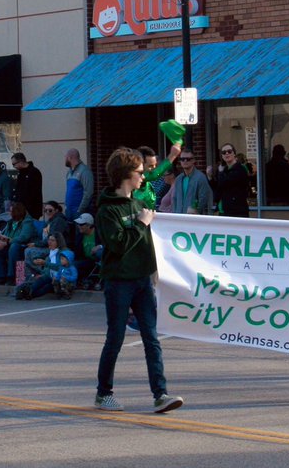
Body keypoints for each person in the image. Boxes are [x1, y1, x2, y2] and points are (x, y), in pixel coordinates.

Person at [94, 146, 183, 414]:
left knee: (151, 338)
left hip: (143, 280)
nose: (143, 177)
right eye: (139, 172)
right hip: (119, 281)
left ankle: (160, 394)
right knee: (116, 337)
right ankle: (103, 393)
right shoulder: (107, 211)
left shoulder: (140, 204)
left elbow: (152, 241)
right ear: (125, 174)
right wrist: (141, 224)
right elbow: (119, 244)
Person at [23, 200, 72, 277]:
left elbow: (52, 239)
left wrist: (36, 244)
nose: (48, 212)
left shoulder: (58, 221)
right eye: (45, 210)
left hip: (57, 248)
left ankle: (40, 274)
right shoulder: (51, 221)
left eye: (50, 210)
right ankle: (30, 276)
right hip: (48, 246)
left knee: (28, 251)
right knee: (24, 251)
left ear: (57, 210)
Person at [0, 201, 35, 286]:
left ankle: (12, 276)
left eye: (11, 211)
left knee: (14, 247)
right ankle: (0, 276)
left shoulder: (27, 221)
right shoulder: (10, 222)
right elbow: (6, 235)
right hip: (10, 245)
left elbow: (24, 237)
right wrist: (2, 241)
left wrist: (7, 242)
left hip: (23, 246)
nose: (9, 213)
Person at [210, 143, 251, 217]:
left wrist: (220, 172)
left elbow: (225, 181)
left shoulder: (240, 169)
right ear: (222, 156)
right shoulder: (224, 170)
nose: (227, 154)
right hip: (224, 211)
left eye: (229, 151)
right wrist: (210, 178)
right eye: (224, 152)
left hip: (237, 212)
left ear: (234, 153)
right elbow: (218, 188)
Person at [135, 144, 181, 210]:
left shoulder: (148, 184)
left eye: (155, 165)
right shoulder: (130, 181)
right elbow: (155, 174)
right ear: (140, 165)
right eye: (150, 166)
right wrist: (173, 155)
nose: (154, 168)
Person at [172, 150, 213, 215]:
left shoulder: (201, 178)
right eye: (182, 159)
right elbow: (174, 199)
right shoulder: (178, 179)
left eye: (188, 159)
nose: (185, 161)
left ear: (193, 160)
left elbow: (203, 199)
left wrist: (196, 210)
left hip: (193, 219)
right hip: (178, 218)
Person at [10, 152, 43, 219]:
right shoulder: (21, 174)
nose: (14, 167)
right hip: (21, 210)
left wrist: (26, 208)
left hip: (31, 210)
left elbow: (34, 193)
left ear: (21, 161)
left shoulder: (34, 172)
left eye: (14, 164)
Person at [64, 149, 95, 219]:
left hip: (80, 214)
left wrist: (80, 210)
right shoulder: (69, 172)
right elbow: (68, 191)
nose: (65, 160)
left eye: (65, 157)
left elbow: (88, 193)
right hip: (69, 212)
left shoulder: (85, 171)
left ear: (70, 157)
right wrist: (66, 207)